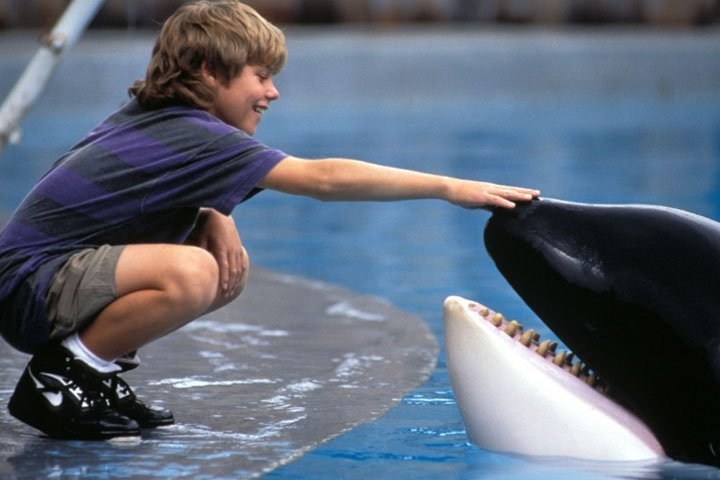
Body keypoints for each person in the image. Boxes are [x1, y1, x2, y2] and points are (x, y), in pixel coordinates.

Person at [0, 0, 540, 440]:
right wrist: (448, 187)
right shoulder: (194, 133)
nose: (272, 92)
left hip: (34, 281)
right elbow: (323, 179)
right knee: (193, 272)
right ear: (209, 72)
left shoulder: (159, 120)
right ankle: (64, 376)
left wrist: (212, 212)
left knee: (221, 266)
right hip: (30, 285)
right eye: (260, 76)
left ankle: (93, 374)